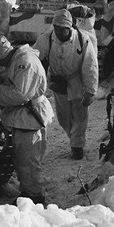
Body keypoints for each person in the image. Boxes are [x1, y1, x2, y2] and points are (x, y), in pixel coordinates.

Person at [0, 35, 54, 204]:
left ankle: (35, 198)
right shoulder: (18, 59)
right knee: (24, 160)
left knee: (28, 163)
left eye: (1, 63)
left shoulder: (25, 62)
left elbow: (20, 94)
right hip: (25, 117)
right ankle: (28, 192)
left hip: (30, 117)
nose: (1, 66)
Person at [34, 9, 98, 160]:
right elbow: (35, 59)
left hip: (78, 82)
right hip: (59, 83)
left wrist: (90, 91)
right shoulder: (46, 39)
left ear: (69, 28)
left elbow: (91, 66)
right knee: (64, 117)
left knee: (80, 116)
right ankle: (74, 138)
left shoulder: (83, 40)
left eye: (63, 29)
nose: (59, 32)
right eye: (56, 28)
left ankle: (77, 145)